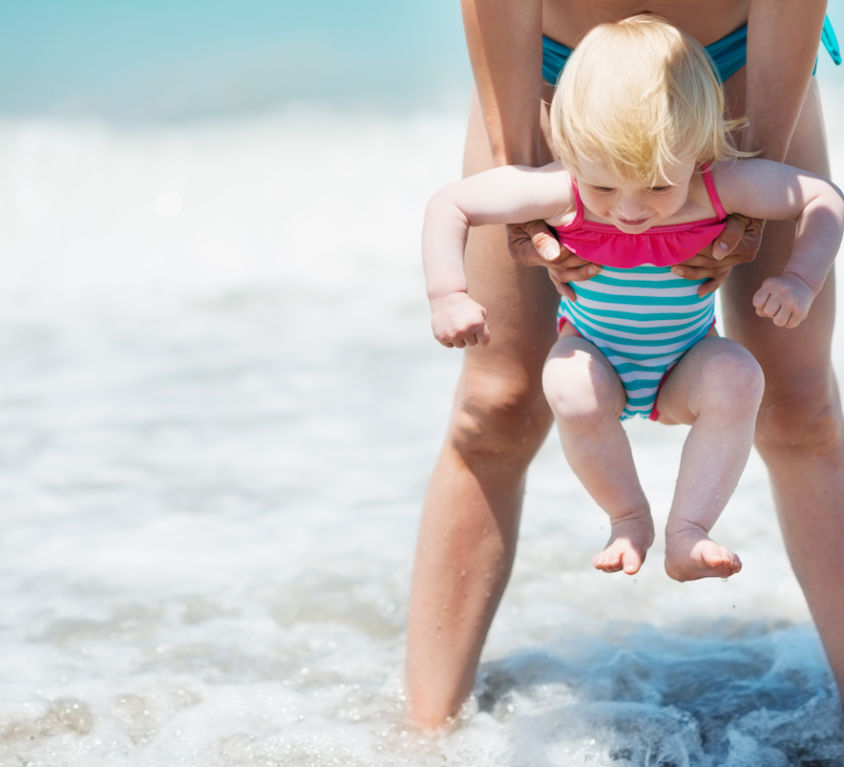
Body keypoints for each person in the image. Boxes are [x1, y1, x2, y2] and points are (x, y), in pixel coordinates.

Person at [406, 0, 844, 729]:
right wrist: (523, 175)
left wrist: (743, 193)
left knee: (799, 407)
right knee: (498, 406)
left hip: (742, 66)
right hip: (559, 81)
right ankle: (422, 732)